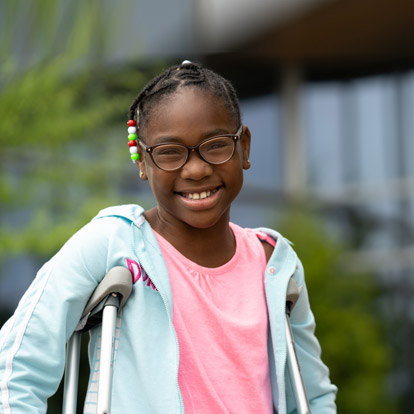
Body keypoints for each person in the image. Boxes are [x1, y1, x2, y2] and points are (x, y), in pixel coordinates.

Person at [0, 60, 337, 413]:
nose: (196, 169)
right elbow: (16, 370)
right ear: (142, 163)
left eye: (216, 144)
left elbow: (313, 398)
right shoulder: (113, 243)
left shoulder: (274, 264)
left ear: (245, 147)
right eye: (169, 153)